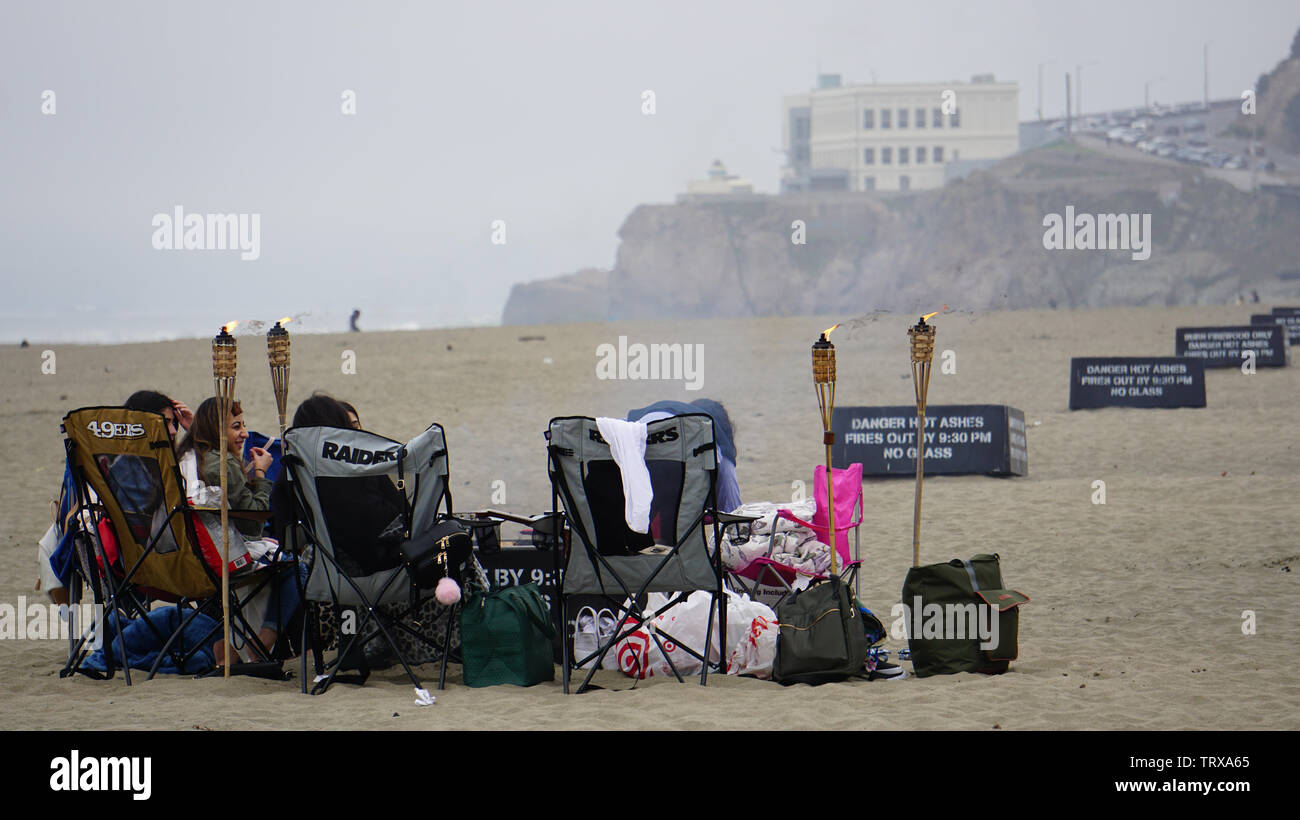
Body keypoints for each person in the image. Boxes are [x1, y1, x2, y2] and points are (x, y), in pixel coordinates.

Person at [627, 398, 742, 513]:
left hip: (632, 485)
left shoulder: (631, 425)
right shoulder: (716, 440)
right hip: (677, 511)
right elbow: (733, 509)